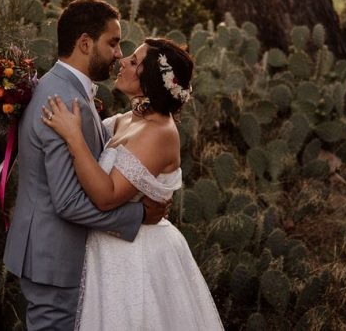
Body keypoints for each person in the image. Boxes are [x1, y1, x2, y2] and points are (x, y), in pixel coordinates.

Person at [3, 0, 168, 331]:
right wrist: (140, 215)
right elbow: (68, 203)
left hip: (50, 254)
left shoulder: (60, 88)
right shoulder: (64, 100)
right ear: (84, 43)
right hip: (54, 260)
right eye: (113, 43)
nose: (119, 54)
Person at [41, 37, 224, 330]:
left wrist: (73, 136)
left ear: (150, 80)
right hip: (108, 247)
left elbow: (107, 196)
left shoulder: (159, 133)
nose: (122, 61)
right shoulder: (128, 119)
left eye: (134, 61)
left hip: (137, 258)